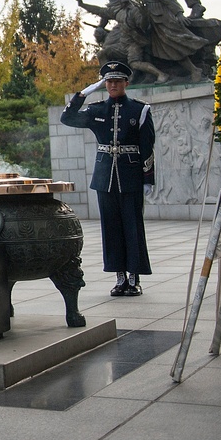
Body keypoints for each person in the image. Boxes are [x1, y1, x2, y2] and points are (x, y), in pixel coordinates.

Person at [60, 61, 155, 297]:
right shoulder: (97, 109)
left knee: (132, 227)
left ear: (126, 83)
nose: (113, 85)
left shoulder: (140, 110)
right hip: (105, 178)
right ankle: (119, 277)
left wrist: (148, 178)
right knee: (110, 229)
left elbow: (147, 146)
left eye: (117, 81)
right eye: (109, 82)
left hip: (130, 175)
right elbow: (67, 118)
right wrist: (82, 94)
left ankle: (134, 277)